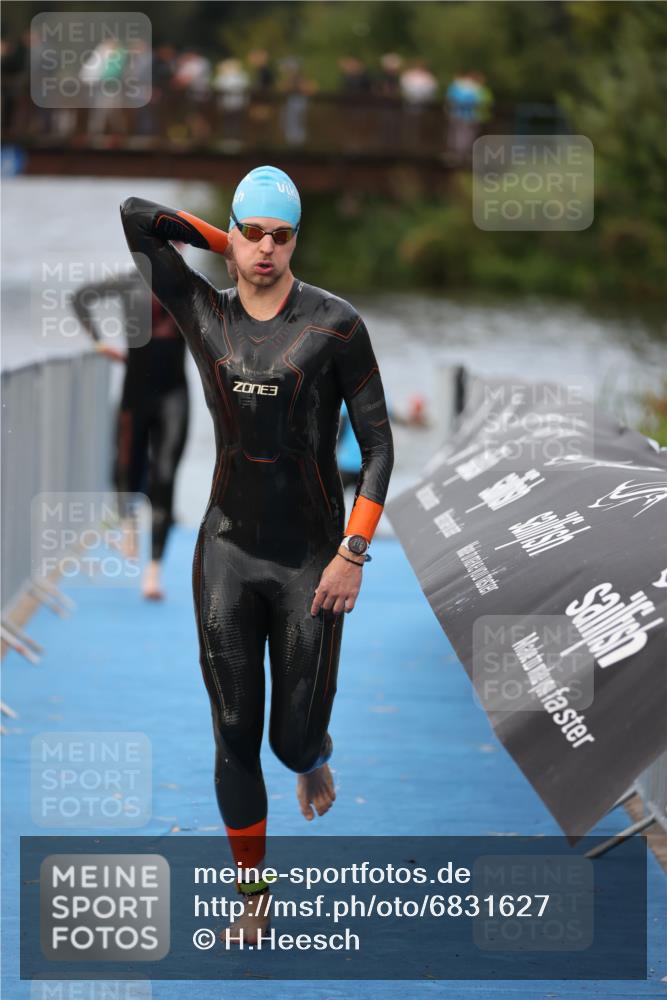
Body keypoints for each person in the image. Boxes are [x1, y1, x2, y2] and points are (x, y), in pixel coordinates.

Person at [120, 165, 394, 943]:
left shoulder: (336, 325)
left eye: (281, 236)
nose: (267, 249)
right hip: (229, 552)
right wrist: (225, 249)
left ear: (297, 240)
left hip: (313, 561)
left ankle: (315, 755)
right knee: (235, 727)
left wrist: (353, 552)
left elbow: (377, 450)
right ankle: (253, 894)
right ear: (234, 233)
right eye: (252, 233)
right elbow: (136, 215)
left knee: (290, 739)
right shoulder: (201, 311)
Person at [70, 268, 189, 600]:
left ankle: (153, 571)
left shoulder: (186, 281)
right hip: (135, 395)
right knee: (126, 470)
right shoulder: (128, 281)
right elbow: (80, 298)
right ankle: (127, 522)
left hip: (174, 397)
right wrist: (98, 342)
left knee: (165, 477)